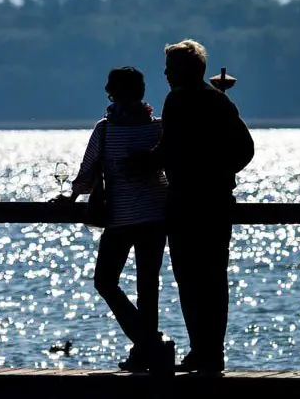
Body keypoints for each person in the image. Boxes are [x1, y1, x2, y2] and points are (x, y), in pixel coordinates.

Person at [129, 39, 254, 373]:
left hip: (185, 203)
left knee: (189, 279)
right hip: (218, 203)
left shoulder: (178, 100)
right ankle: (213, 352)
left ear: (185, 70)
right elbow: (245, 149)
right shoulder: (220, 101)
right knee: (214, 279)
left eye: (170, 68)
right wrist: (222, 174)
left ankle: (201, 349)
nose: (166, 74)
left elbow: (166, 150)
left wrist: (135, 163)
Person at [53, 67, 169, 372]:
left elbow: (87, 172)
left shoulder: (105, 129)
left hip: (120, 217)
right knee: (148, 286)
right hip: (156, 214)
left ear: (112, 93)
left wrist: (70, 197)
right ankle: (148, 345)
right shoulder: (159, 128)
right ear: (141, 92)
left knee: (105, 281)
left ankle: (146, 344)